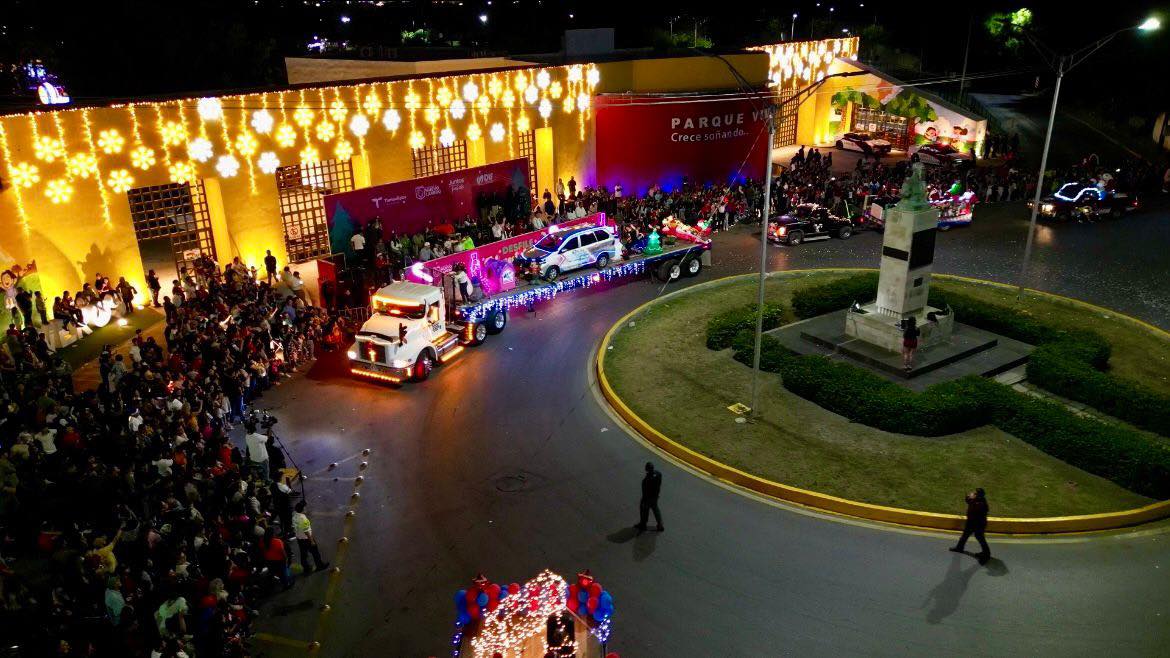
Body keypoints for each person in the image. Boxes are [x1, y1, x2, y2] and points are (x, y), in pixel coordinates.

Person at [950, 488, 991, 563]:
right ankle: (959, 547)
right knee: (965, 535)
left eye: (976, 494)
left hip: (978, 524)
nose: (974, 494)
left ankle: (986, 553)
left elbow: (971, 502)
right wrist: (969, 496)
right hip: (971, 522)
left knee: (980, 537)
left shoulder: (980, 503)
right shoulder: (977, 500)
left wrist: (971, 497)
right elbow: (967, 499)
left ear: (979, 495)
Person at [291, 501, 329, 575]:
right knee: (315, 552)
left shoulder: (294, 515)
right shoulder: (303, 519)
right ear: (302, 509)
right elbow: (306, 531)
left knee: (303, 554)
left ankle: (306, 569)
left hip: (299, 538)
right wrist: (312, 541)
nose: (306, 508)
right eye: (304, 508)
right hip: (306, 539)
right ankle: (320, 565)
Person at [634, 461, 664, 532]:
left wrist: (644, 500)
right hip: (655, 496)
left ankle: (643, 524)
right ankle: (660, 525)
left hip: (648, 498)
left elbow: (645, 491)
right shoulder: (658, 474)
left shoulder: (647, 480)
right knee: (655, 509)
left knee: (644, 510)